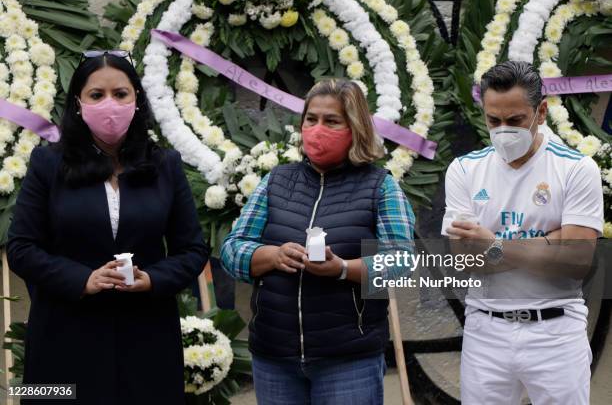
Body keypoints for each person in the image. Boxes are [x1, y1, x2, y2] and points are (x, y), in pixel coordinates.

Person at [8, 50, 208, 404]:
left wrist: (154, 279)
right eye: (96, 95)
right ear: (78, 103)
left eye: (120, 94)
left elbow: (192, 249)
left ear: (137, 100)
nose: (110, 105)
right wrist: (81, 279)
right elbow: (22, 248)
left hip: (147, 338)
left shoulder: (165, 164)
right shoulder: (46, 163)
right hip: (63, 336)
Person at [221, 79, 414, 404]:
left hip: (348, 360)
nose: (317, 129)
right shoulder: (276, 181)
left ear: (355, 128)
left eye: (331, 121)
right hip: (274, 357)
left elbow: (399, 262)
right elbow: (232, 249)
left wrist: (341, 268)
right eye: (311, 119)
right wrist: (270, 256)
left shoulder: (379, 186)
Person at [442, 61, 603, 404]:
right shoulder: (464, 170)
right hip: (485, 331)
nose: (503, 130)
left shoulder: (576, 169)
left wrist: (493, 244)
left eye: (514, 120)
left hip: (557, 331)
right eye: (493, 120)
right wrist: (551, 242)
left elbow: (577, 261)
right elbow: (464, 260)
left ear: (541, 112)